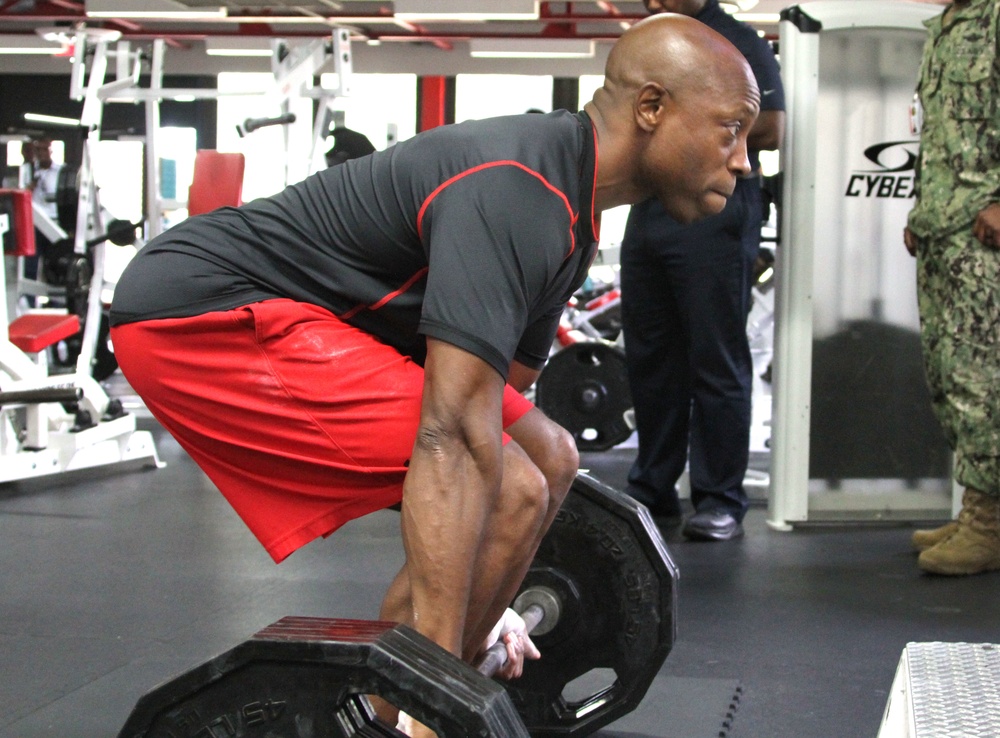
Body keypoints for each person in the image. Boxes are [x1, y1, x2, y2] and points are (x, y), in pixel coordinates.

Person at [108, 13, 760, 735]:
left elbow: (496, 401)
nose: (743, 162)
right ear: (651, 108)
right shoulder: (520, 189)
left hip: (282, 315)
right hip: (199, 312)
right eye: (732, 129)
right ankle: (413, 714)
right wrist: (442, 692)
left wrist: (491, 603)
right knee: (506, 482)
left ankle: (402, 695)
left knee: (550, 456)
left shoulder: (568, 215)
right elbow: (452, 437)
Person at [618, 0, 785, 542]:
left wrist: (695, 130)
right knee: (650, 354)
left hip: (716, 208)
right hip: (652, 206)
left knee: (714, 356)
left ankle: (718, 499)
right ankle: (653, 487)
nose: (653, 4)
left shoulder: (735, 41)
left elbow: (774, 127)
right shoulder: (660, 40)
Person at [903, 0, 1000, 576]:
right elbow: (940, 134)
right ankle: (977, 512)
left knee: (981, 380)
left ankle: (988, 525)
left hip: (984, 230)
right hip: (945, 226)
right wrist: (923, 210)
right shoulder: (943, 28)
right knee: (948, 374)